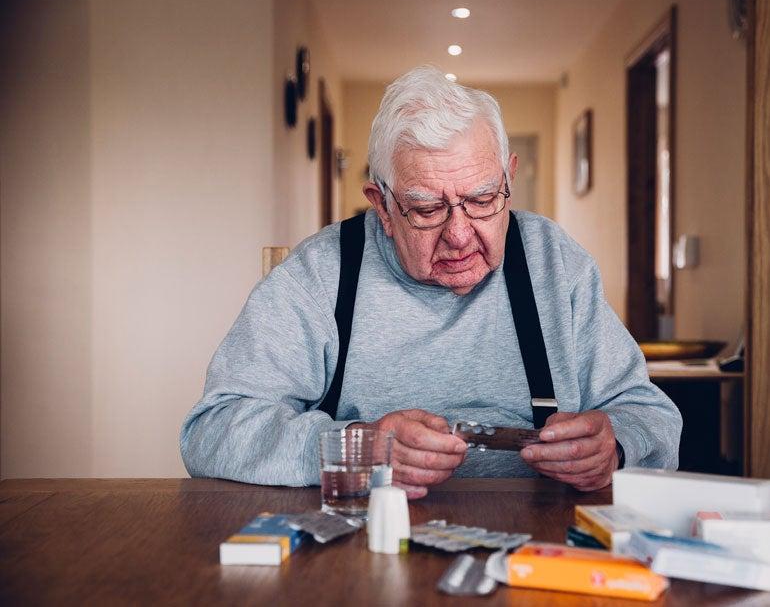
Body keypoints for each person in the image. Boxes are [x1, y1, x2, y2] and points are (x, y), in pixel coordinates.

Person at [180, 66, 681, 498]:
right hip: (363, 545)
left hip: (539, 546)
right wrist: (357, 447)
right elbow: (212, 431)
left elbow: (651, 415)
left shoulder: (555, 262)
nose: (460, 234)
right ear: (382, 206)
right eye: (426, 209)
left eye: (484, 200)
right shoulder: (321, 274)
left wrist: (614, 446)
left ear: (509, 176)